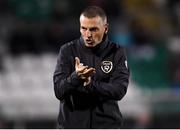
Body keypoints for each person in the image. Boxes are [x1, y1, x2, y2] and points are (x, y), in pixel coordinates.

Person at [53, 6, 130, 129]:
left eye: (93, 29)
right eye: (84, 28)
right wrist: (76, 77)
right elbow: (58, 91)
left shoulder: (116, 52)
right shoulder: (67, 51)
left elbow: (119, 90)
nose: (88, 34)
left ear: (106, 28)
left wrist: (90, 85)